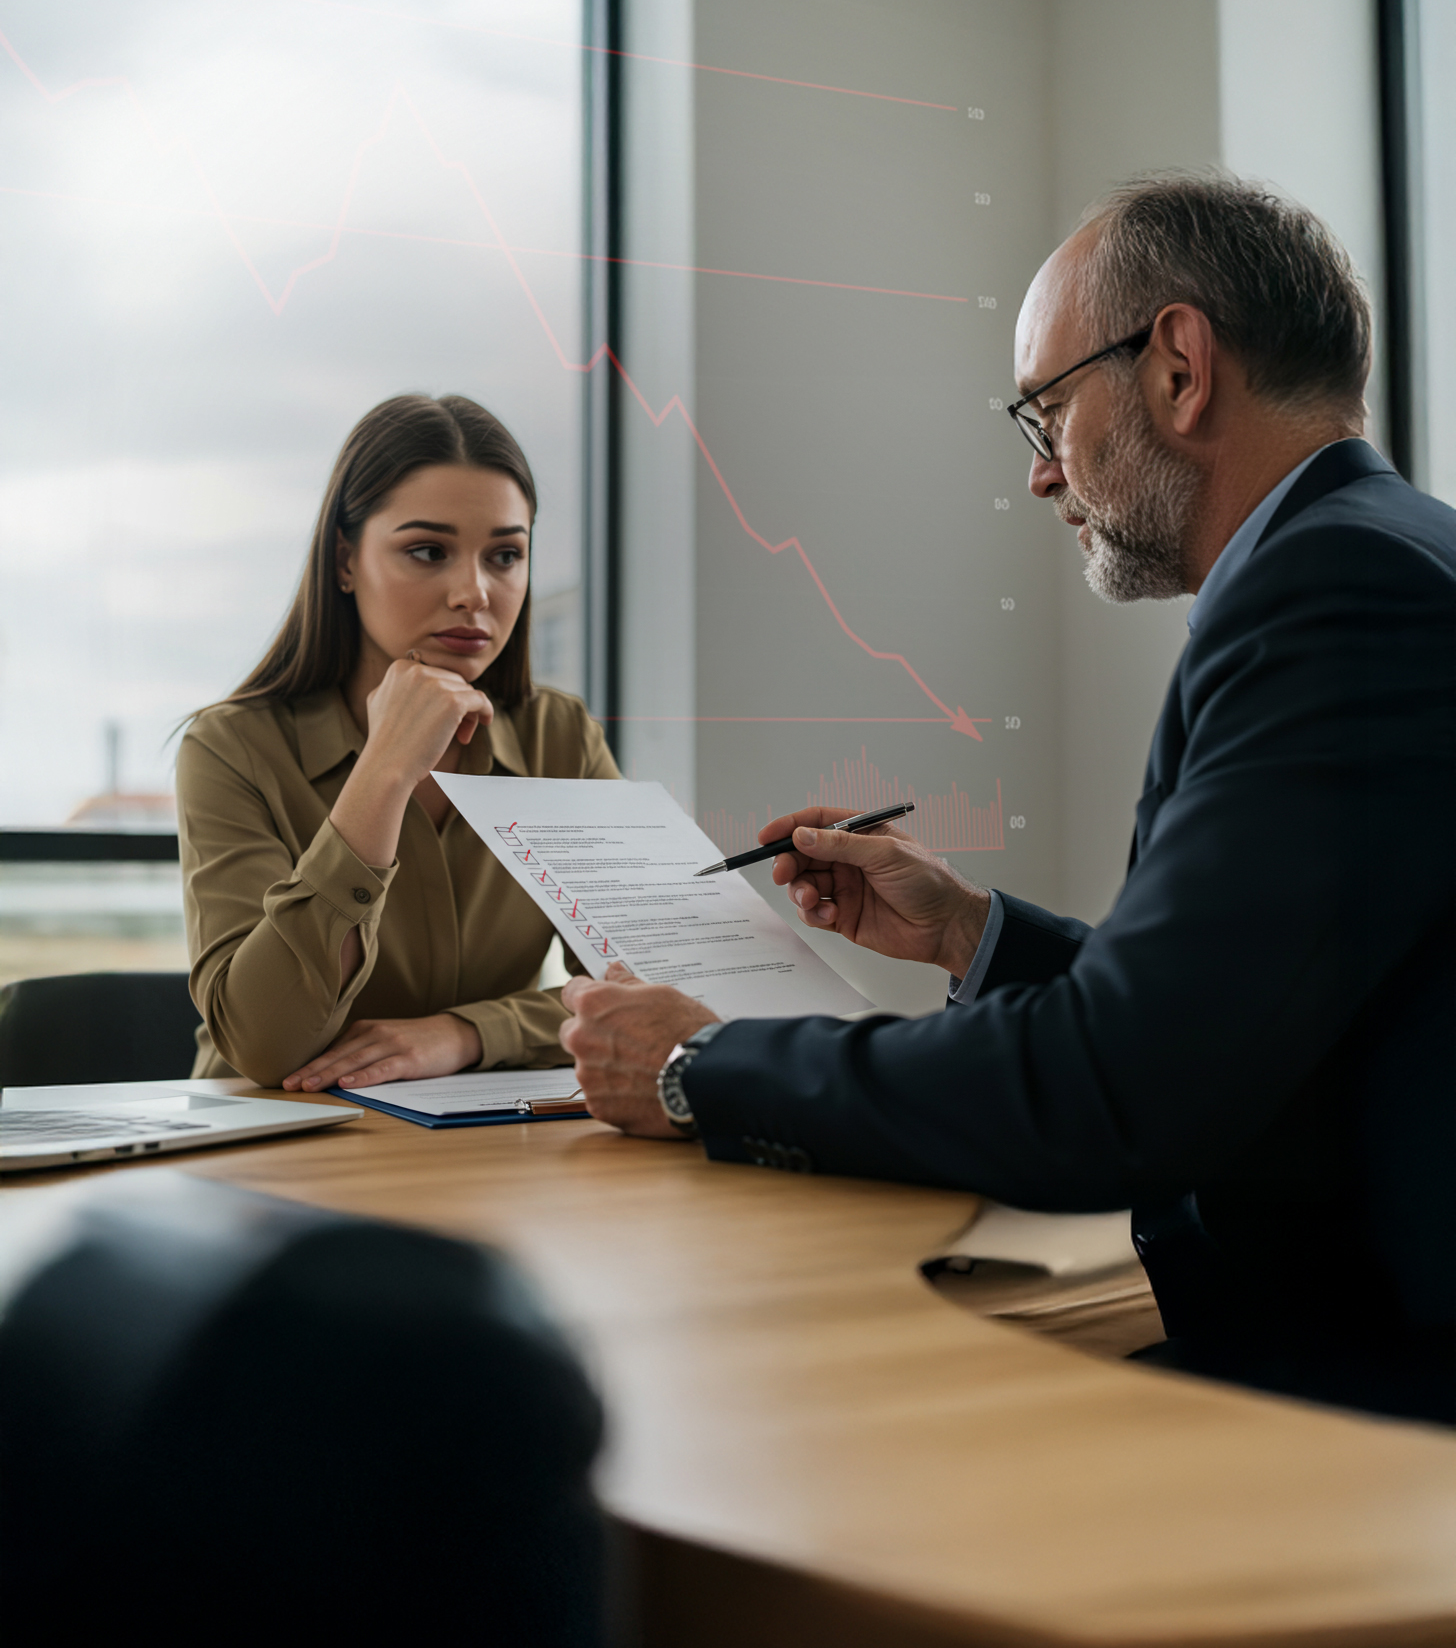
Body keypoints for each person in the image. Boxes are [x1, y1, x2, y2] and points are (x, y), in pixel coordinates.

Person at [558, 175, 1456, 1423]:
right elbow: (1234, 1020)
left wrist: (697, 1065)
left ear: (1178, 367)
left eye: (1045, 413)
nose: (1042, 475)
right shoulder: (1383, 554)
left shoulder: (1336, 591)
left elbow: (1117, 1091)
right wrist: (967, 933)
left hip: (1371, 1411)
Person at [178, 393, 618, 1091]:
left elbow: (652, 990)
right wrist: (382, 774)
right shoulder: (232, 747)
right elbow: (263, 1042)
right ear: (346, 561)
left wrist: (469, 1034)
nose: (474, 592)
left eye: (505, 555)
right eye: (427, 551)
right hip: (270, 1149)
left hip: (489, 1153)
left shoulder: (559, 737)